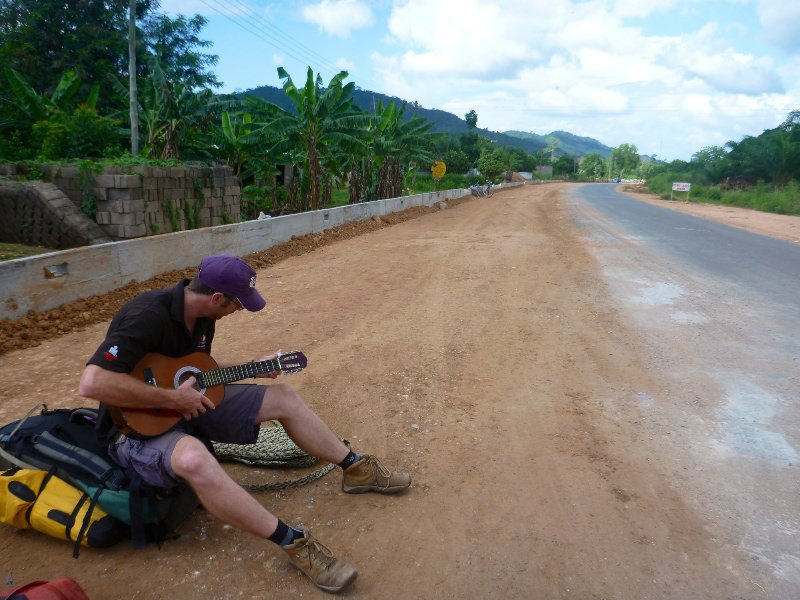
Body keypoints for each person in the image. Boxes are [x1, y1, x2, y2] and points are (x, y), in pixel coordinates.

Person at [79, 253, 410, 594]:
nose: (239, 310)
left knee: (283, 397)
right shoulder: (146, 315)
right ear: (217, 298)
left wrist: (252, 368)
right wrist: (172, 400)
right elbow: (92, 383)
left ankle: (355, 469)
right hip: (133, 429)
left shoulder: (205, 316)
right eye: (238, 304)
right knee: (195, 459)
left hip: (187, 406)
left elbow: (193, 372)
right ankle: (292, 542)